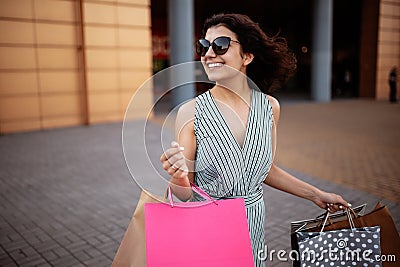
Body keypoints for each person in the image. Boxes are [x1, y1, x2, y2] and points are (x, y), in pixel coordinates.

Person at [160, 13, 350, 267]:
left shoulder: (270, 107)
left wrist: (316, 194)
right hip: (208, 229)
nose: (208, 54)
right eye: (204, 46)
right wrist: (178, 176)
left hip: (253, 227)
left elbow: (266, 170)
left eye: (221, 45)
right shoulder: (190, 112)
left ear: (247, 56)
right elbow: (181, 194)